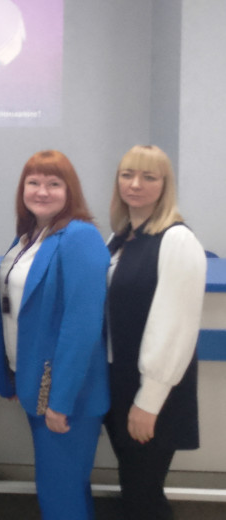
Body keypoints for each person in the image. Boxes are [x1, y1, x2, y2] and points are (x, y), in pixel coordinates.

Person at [0, 150, 110, 520]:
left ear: (70, 190)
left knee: (59, 494)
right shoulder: (28, 237)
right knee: (65, 489)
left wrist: (61, 401)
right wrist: (12, 373)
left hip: (66, 395)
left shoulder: (80, 237)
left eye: (54, 183)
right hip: (36, 384)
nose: (42, 191)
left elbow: (81, 327)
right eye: (34, 182)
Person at [105, 145, 205, 520]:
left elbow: (174, 327)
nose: (135, 184)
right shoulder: (121, 237)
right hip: (122, 382)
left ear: (165, 185)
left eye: (149, 177)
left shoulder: (177, 240)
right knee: (134, 487)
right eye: (127, 175)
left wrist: (149, 401)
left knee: (144, 497)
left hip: (153, 392)